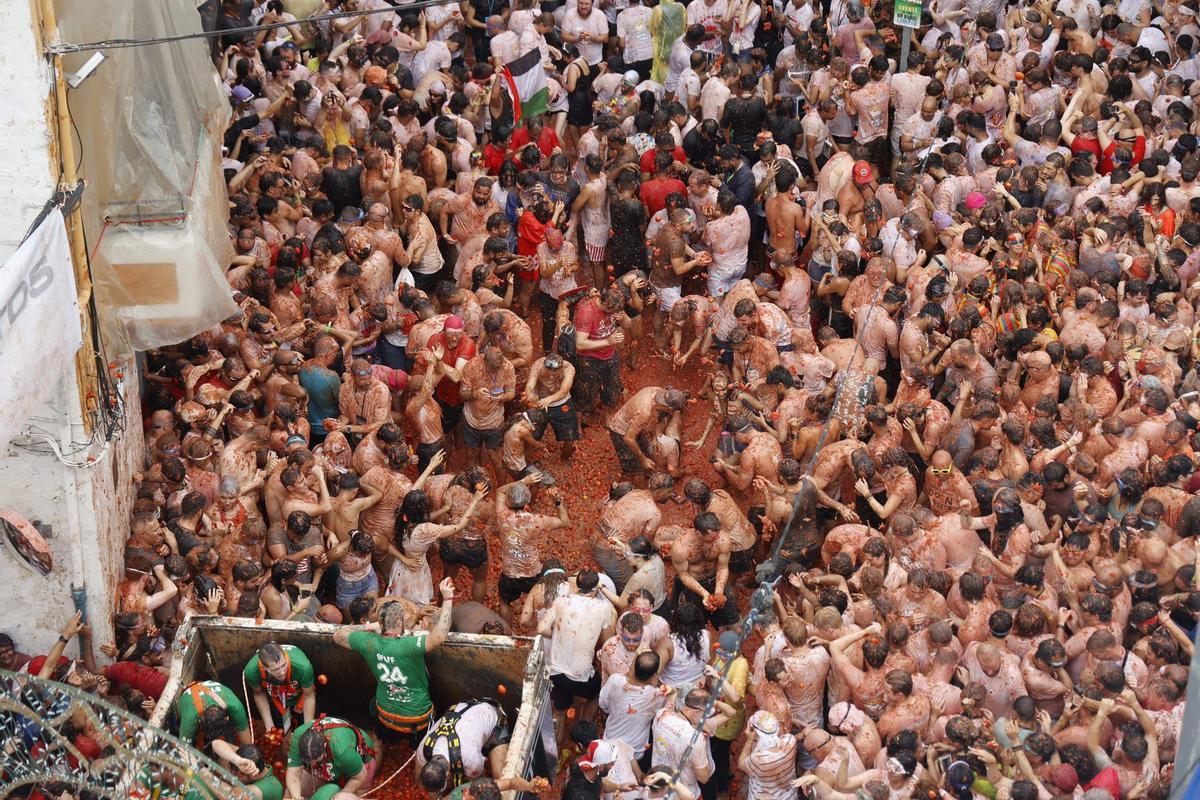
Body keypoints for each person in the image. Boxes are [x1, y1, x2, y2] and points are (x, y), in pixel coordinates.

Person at [333, 577, 457, 747]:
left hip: (385, 714)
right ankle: (416, 748)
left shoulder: (368, 642)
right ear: (400, 623)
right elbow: (439, 636)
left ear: (380, 622)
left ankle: (383, 742)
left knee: (374, 711)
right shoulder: (409, 645)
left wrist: (370, 628)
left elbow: (338, 635)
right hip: (418, 718)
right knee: (421, 747)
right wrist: (448, 599)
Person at [243, 640, 317, 734]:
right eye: (276, 669)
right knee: (279, 731)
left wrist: (307, 730)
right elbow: (259, 694)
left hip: (301, 698)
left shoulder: (302, 667)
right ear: (264, 668)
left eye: (283, 665)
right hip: (277, 699)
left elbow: (309, 696)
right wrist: (269, 726)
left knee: (308, 729)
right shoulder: (252, 671)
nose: (282, 672)